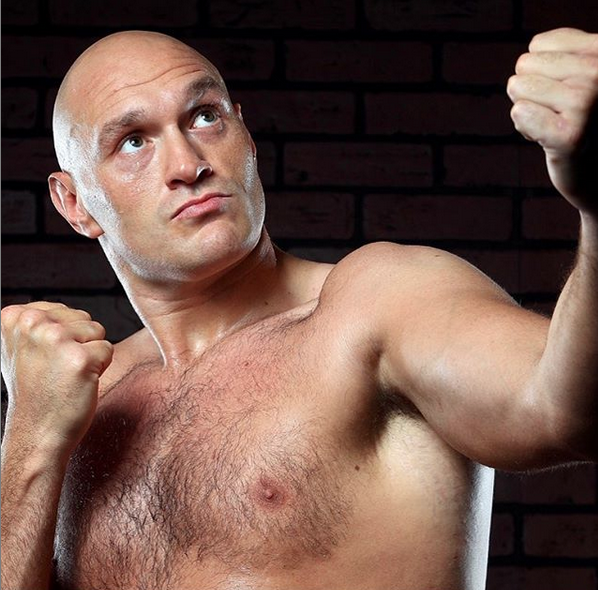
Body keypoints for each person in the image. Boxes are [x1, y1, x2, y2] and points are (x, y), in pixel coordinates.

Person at [1, 27, 597, 590]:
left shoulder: (377, 304)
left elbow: (563, 409)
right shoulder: (80, 404)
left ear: (246, 138)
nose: (187, 166)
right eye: (133, 141)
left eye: (205, 116)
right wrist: (29, 435)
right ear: (75, 203)